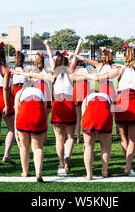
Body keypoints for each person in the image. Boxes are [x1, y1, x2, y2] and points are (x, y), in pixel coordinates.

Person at [80, 43, 135, 176]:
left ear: (124, 57)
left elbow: (96, 77)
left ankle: (126, 163)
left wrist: (82, 76)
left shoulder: (119, 70)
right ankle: (128, 166)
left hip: (121, 105)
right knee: (132, 140)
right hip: (134, 104)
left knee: (124, 139)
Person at [11, 48, 85, 176]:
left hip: (58, 105)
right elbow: (83, 73)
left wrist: (22, 74)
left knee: (59, 138)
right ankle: (68, 155)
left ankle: (61, 162)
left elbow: (36, 75)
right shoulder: (71, 74)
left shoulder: (52, 75)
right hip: (69, 104)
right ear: (67, 64)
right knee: (70, 137)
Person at [14, 84, 47, 182]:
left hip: (24, 115)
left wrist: (16, 130)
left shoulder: (20, 92)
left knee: (24, 146)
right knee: (38, 148)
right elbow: (44, 109)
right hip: (38, 115)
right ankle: (38, 173)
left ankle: (25, 171)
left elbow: (17, 111)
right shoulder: (41, 92)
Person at [81, 92, 113, 180]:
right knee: (106, 147)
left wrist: (85, 140)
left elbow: (83, 114)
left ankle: (89, 175)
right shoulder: (108, 97)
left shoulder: (87, 97)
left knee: (88, 147)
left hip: (89, 116)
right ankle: (104, 171)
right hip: (105, 116)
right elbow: (111, 113)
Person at [73, 59, 91, 144]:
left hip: (77, 91)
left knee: (78, 117)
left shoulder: (75, 70)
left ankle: (78, 137)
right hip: (85, 91)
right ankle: (85, 136)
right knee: (85, 116)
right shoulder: (87, 70)